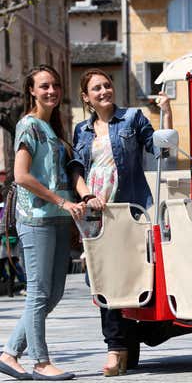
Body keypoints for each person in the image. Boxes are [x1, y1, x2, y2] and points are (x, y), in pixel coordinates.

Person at [69, 68, 172, 377]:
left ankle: (129, 343)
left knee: (133, 276)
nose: (104, 91)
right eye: (96, 88)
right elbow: (75, 169)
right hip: (97, 212)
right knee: (102, 280)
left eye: (107, 85)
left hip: (129, 209)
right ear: (86, 97)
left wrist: (166, 112)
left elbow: (160, 149)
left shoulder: (132, 118)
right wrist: (87, 198)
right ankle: (117, 347)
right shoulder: (81, 130)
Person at [0, 65, 85, 381]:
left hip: (60, 220)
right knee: (38, 293)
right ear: (32, 91)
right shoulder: (28, 126)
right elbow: (21, 175)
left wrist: (70, 209)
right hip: (36, 220)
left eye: (56, 86)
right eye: (44, 86)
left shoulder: (53, 129)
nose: (52, 91)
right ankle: (40, 362)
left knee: (53, 293)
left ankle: (10, 353)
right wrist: (62, 202)